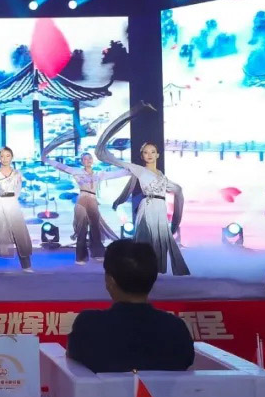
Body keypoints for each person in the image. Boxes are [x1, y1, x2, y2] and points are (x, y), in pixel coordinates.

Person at [66, 239, 194, 373]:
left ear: (110, 281)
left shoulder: (89, 326)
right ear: (153, 278)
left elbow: (73, 357)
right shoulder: (176, 330)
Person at [96, 105, 190, 275]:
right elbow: (104, 156)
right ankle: (139, 270)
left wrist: (176, 219)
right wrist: (129, 116)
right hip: (147, 207)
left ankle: (156, 271)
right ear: (142, 156)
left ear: (158, 155)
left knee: (160, 242)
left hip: (160, 208)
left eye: (153, 152)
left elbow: (177, 190)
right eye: (146, 152)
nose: (149, 155)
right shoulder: (139, 170)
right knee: (144, 242)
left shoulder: (162, 177)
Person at [42, 150, 126, 264]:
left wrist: (132, 170)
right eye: (85, 159)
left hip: (92, 200)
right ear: (82, 162)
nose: (88, 160)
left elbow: (116, 174)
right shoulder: (77, 172)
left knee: (95, 227)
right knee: (82, 229)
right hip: (82, 200)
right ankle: (81, 257)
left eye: (89, 158)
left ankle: (97, 253)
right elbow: (61, 166)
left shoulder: (99, 174)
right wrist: (47, 160)